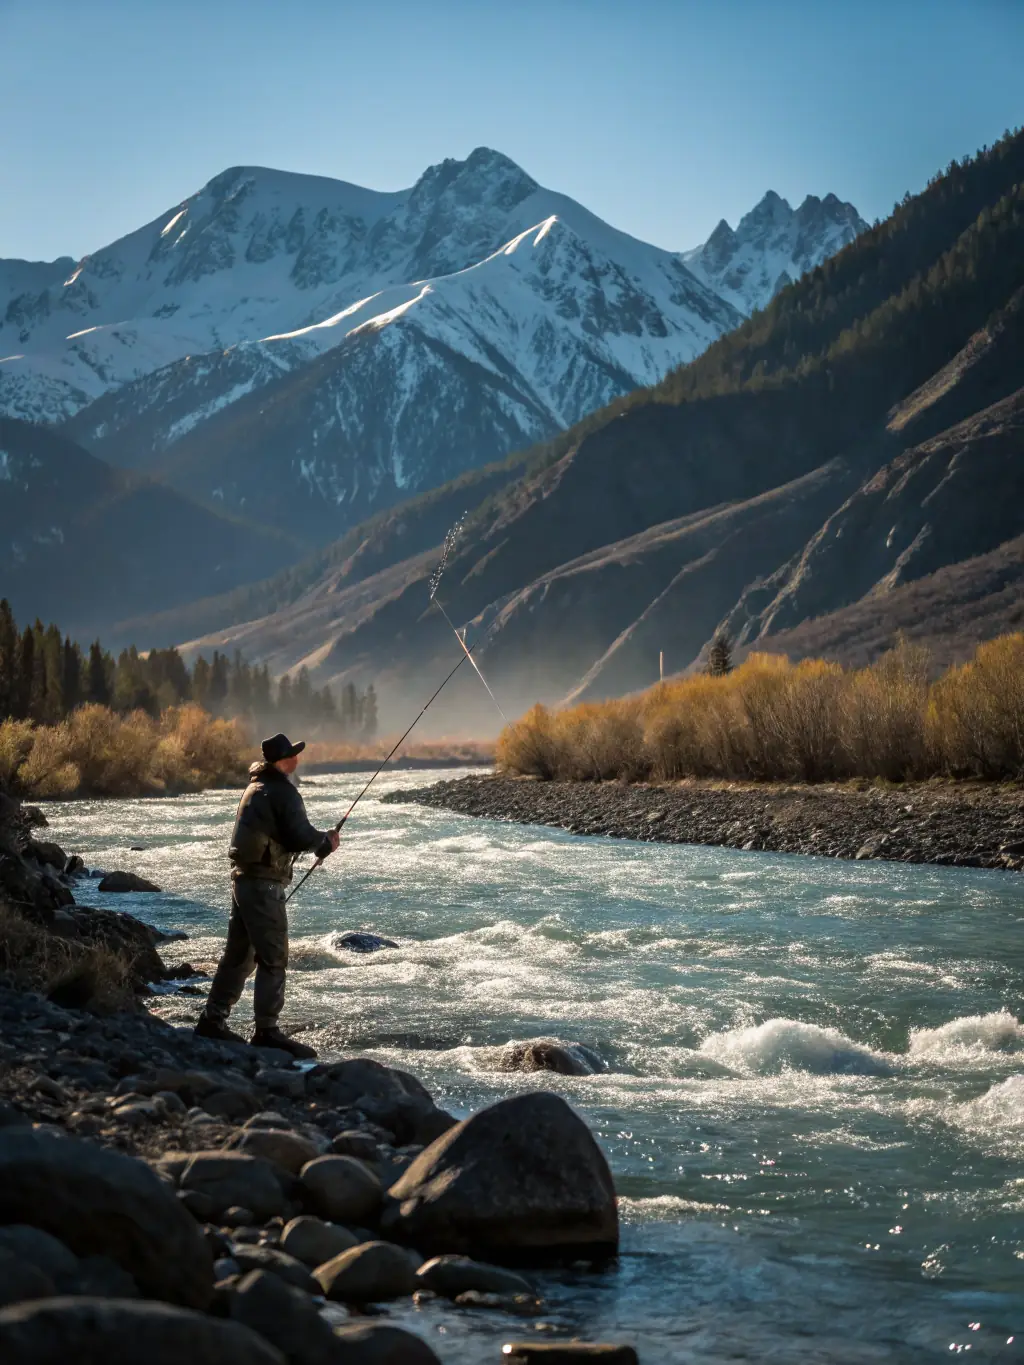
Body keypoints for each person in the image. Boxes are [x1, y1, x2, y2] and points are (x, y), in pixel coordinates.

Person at [195, 732, 340, 1058]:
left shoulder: (255, 787)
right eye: (293, 755)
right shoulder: (282, 792)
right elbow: (299, 835)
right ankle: (267, 1032)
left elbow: (285, 835)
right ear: (282, 760)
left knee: (239, 955)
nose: (297, 760)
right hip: (262, 885)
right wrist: (326, 843)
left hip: (244, 881)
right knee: (273, 957)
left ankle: (212, 1021)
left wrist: (317, 843)